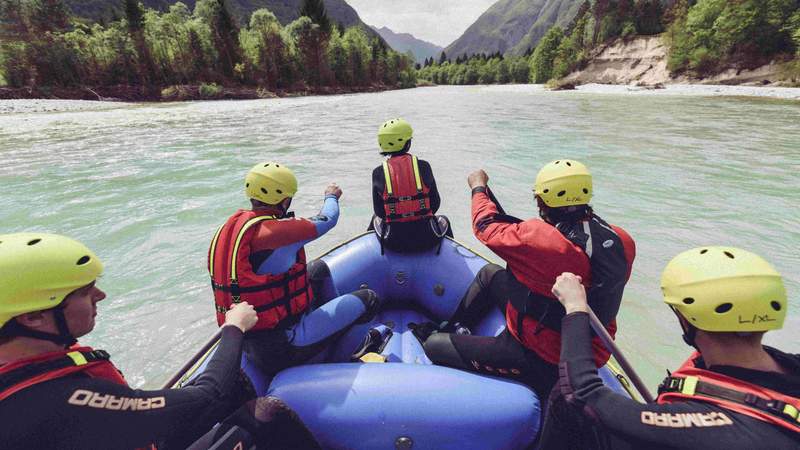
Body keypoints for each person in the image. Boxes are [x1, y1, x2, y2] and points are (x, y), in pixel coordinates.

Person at [0, 232, 319, 450]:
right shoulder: (64, 399)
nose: (101, 295)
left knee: (234, 382)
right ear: (33, 317)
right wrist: (234, 327)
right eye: (84, 292)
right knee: (266, 413)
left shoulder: (25, 366)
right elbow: (209, 395)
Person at [543, 247, 799, 449]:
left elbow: (582, 392)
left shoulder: (709, 427)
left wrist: (575, 306)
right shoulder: (788, 367)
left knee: (563, 405)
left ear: (685, 319)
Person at [420, 160, 635, 396]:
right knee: (491, 274)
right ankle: (457, 326)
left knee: (433, 345)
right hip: (586, 344)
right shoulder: (620, 240)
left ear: (542, 202)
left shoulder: (541, 241)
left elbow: (484, 226)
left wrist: (478, 187)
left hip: (541, 356)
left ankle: (450, 332)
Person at [209, 162, 380, 378]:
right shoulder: (276, 233)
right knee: (370, 300)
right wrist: (331, 196)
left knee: (318, 269)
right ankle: (346, 355)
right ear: (285, 200)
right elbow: (328, 218)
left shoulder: (232, 229)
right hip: (282, 347)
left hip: (246, 338)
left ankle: (335, 330)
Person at [370, 118, 451, 253]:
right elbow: (435, 204)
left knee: (374, 218)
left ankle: (375, 258)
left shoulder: (378, 172)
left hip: (393, 242)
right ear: (407, 143)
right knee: (445, 220)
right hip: (427, 238)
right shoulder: (424, 166)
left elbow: (379, 212)